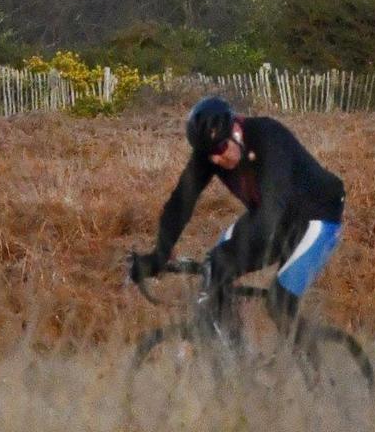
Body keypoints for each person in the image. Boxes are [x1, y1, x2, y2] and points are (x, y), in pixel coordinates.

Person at [128, 95, 346, 331]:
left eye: (221, 149)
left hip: (317, 215)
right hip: (274, 216)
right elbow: (181, 202)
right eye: (209, 154)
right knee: (215, 271)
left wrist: (229, 255)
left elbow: (268, 219)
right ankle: (234, 357)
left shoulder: (269, 138)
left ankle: (316, 366)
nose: (216, 159)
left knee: (279, 303)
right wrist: (160, 254)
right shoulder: (210, 153)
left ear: (236, 130)